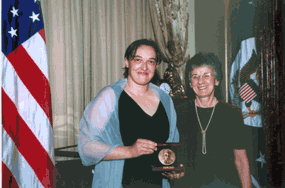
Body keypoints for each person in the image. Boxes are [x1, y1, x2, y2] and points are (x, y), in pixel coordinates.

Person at [78, 39, 182, 188]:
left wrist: (172, 169)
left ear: (156, 65)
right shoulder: (110, 96)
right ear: (127, 62)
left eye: (151, 61)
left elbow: (171, 146)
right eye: (138, 60)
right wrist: (129, 151)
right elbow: (86, 147)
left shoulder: (165, 99)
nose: (144, 67)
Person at [172, 52, 252, 188]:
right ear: (190, 83)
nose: (201, 81)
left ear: (216, 80)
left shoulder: (232, 113)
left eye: (206, 75)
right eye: (195, 76)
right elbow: (174, 154)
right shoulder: (179, 112)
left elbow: (241, 160)